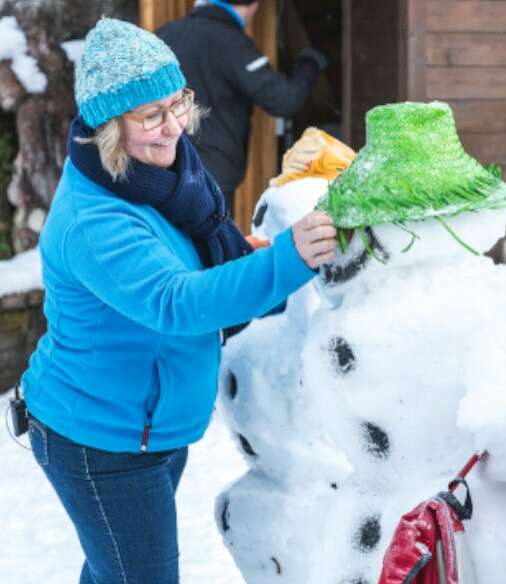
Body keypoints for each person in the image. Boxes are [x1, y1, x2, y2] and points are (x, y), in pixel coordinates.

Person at [21, 17, 336, 584]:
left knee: (115, 570)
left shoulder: (158, 178)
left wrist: (252, 254)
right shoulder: (93, 220)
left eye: (178, 104)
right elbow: (177, 301)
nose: (175, 128)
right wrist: (287, 260)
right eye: (151, 116)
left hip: (148, 427)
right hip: (101, 441)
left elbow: (191, 254)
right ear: (109, 126)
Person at [157, 0, 328, 215]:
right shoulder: (231, 43)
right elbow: (284, 99)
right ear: (253, 5)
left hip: (162, 166)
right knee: (211, 246)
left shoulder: (164, 35)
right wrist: (310, 63)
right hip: (211, 176)